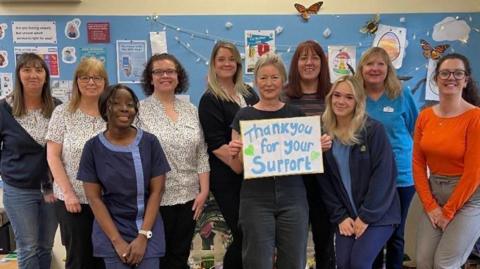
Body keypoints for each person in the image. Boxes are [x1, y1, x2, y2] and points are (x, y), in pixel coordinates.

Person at [228, 52, 310, 269]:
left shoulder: (297, 115)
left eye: (274, 77)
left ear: (283, 80)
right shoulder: (244, 117)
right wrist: (234, 153)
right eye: (263, 78)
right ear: (255, 82)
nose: (269, 83)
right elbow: (237, 168)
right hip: (256, 199)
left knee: (294, 261)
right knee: (257, 262)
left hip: (293, 196)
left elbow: (308, 161)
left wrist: (318, 148)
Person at [77, 84, 170, 269]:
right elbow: (94, 198)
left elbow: (157, 191)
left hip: (147, 228)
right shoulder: (92, 148)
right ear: (104, 108)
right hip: (111, 230)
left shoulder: (150, 142)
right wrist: (117, 241)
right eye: (116, 103)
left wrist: (143, 235)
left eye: (130, 104)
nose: (125, 108)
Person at [318, 75, 400, 269]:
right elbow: (324, 182)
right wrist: (340, 216)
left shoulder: (373, 130)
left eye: (349, 97)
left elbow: (384, 175)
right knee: (343, 263)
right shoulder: (324, 133)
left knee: (358, 263)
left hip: (379, 213)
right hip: (346, 214)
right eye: (337, 95)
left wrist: (366, 216)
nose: (341, 101)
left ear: (358, 101)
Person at [139, 53, 210, 269]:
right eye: (158, 72)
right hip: (155, 198)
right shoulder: (139, 110)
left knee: (180, 255)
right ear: (150, 78)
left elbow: (201, 153)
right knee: (156, 256)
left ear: (178, 77)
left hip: (189, 197)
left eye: (170, 71)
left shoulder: (191, 111)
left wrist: (204, 191)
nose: (165, 76)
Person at [413, 53, 480, 269]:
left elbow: (474, 172)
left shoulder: (475, 117)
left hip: (468, 196)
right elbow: (417, 164)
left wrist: (448, 212)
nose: (451, 77)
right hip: (434, 193)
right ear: (436, 78)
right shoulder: (425, 116)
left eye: (458, 73)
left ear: (466, 80)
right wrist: (431, 206)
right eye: (445, 72)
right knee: (423, 262)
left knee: (444, 263)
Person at [354, 47, 418, 269]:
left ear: (388, 69)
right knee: (370, 234)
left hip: (401, 175)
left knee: (396, 235)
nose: (375, 68)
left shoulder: (401, 93)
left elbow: (415, 129)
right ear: (361, 69)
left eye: (380, 64)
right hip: (367, 176)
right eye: (370, 64)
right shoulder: (355, 97)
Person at [198, 41, 258, 269]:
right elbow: (215, 143)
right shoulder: (209, 99)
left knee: (254, 233)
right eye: (221, 59)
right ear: (213, 63)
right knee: (243, 233)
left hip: (253, 176)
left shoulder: (249, 94)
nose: (227, 63)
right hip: (228, 178)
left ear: (238, 63)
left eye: (231, 59)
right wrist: (239, 164)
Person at [46, 57, 108, 269]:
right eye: (85, 77)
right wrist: (69, 193)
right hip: (74, 202)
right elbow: (53, 156)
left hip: (109, 201)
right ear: (77, 81)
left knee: (107, 258)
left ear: (104, 82)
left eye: (97, 77)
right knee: (79, 259)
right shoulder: (63, 113)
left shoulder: (114, 112)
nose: (91, 82)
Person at [0, 53, 59, 269]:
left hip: (52, 189)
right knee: (28, 247)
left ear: (46, 76)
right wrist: (10, 171)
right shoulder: (4, 109)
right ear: (18, 75)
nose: (33, 75)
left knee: (45, 246)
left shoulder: (57, 108)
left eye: (39, 70)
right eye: (27, 69)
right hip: (19, 190)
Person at [284, 40, 335, 269]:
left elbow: (345, 129)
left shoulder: (334, 94)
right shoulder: (284, 95)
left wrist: (331, 139)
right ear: (296, 63)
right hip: (293, 180)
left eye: (314, 57)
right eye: (303, 58)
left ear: (322, 63)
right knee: (293, 242)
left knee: (325, 240)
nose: (309, 63)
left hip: (327, 178)